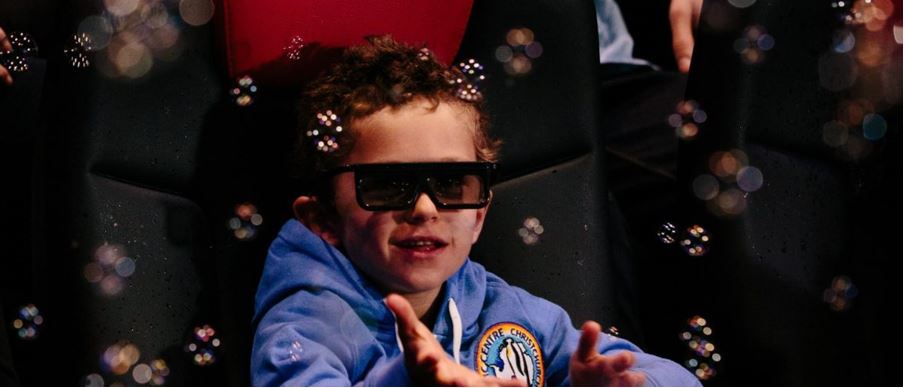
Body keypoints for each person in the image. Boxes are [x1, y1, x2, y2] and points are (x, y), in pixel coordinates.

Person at [250, 35, 700, 386]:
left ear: (480, 214)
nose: (425, 208)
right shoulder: (307, 324)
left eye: (450, 184)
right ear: (323, 220)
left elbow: (678, 379)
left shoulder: (504, 307)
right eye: (387, 186)